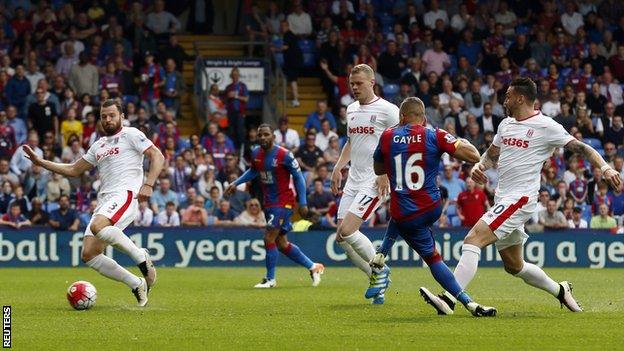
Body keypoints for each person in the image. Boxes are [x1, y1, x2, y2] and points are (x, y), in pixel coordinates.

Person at [436, 78, 622, 314]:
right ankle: (561, 290)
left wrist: (605, 168)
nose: (504, 100)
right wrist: (479, 167)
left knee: (473, 240)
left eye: (508, 96)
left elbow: (583, 148)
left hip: (521, 199)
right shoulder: (505, 125)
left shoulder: (546, 126)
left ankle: (450, 299)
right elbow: (492, 155)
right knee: (514, 265)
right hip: (503, 198)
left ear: (520, 98)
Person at [23, 99, 166, 307]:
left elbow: (157, 156)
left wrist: (149, 184)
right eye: (104, 116)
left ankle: (140, 255)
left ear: (122, 117)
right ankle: (136, 284)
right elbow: (74, 169)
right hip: (105, 201)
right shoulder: (98, 145)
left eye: (112, 115)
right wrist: (41, 162)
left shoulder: (131, 134)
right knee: (89, 254)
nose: (108, 120)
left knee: (99, 226)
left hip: (125, 195)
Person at [367, 97, 496, 316]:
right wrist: (460, 141)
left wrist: (387, 171)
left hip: (407, 215)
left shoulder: (388, 136)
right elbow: (473, 155)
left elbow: (378, 165)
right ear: (424, 118)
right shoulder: (434, 135)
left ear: (401, 117)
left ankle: (468, 303)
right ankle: (382, 254)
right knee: (402, 212)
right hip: (432, 207)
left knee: (430, 255)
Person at [329, 64, 399, 304]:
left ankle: (380, 271)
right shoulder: (350, 109)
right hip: (354, 179)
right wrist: (338, 167)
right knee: (341, 237)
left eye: (359, 83)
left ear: (372, 83)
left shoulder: (389, 111)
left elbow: (400, 145)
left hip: (374, 179)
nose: (354, 88)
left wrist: (385, 172)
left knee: (348, 230)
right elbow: (351, 142)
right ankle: (377, 281)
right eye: (352, 84)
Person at [225, 124, 325, 288]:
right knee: (281, 243)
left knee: (268, 237)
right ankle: (313, 267)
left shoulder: (284, 155)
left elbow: (299, 177)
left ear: (273, 136)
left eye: (266, 134)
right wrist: (236, 183)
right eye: (260, 135)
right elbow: (253, 171)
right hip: (269, 202)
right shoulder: (256, 153)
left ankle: (270, 279)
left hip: (284, 202)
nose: (263, 138)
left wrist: (303, 202)